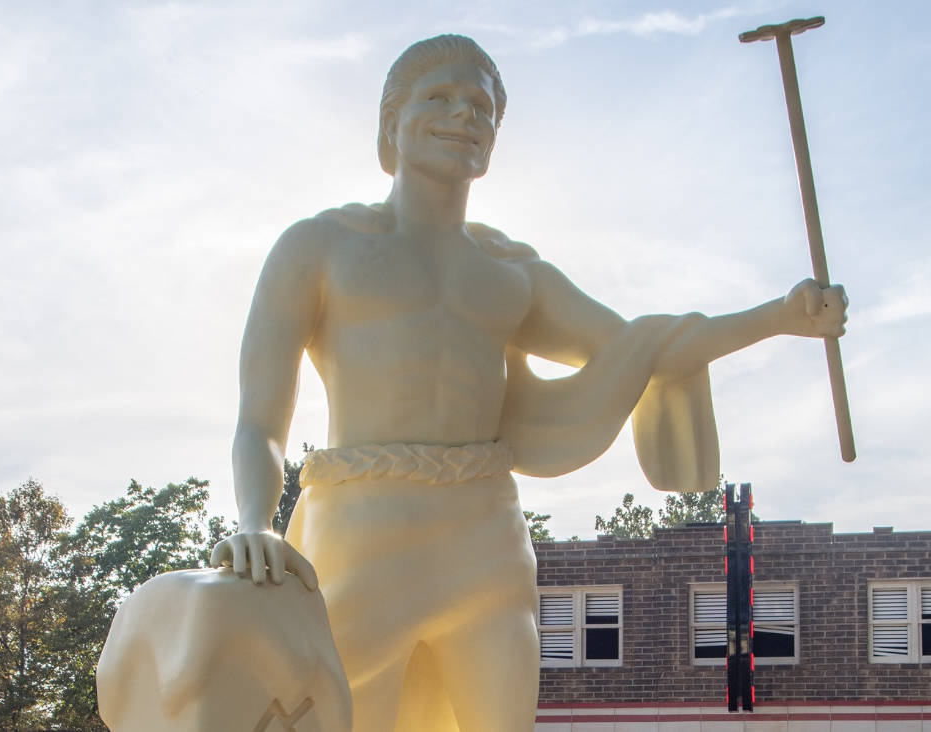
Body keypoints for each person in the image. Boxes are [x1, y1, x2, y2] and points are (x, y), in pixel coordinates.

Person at [210, 34, 847, 731]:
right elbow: (260, 421)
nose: (465, 115)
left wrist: (784, 316)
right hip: (361, 529)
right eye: (440, 97)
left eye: (482, 107)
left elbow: (648, 347)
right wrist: (252, 523)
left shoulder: (511, 272)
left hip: (484, 537)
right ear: (391, 121)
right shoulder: (320, 248)